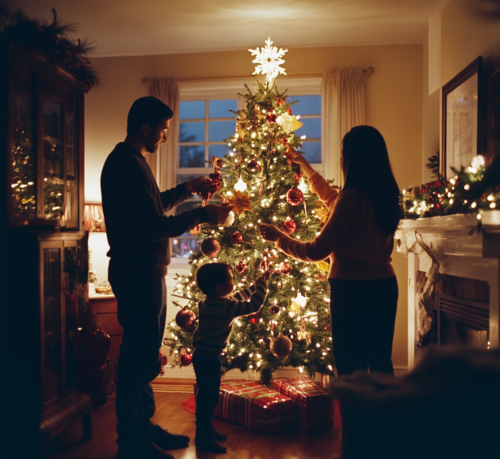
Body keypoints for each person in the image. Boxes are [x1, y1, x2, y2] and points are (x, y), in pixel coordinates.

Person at [101, 96, 233, 459]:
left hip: (144, 271)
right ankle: (132, 443)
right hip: (138, 271)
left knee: (143, 354)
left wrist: (188, 190)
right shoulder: (125, 164)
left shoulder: (131, 162)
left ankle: (142, 428)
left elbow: (152, 206)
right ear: (146, 127)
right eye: (162, 129)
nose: (163, 135)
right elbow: (153, 225)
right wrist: (201, 214)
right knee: (137, 358)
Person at [258, 125, 401, 376]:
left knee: (350, 364)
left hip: (352, 289)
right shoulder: (383, 195)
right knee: (380, 361)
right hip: (385, 286)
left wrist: (279, 238)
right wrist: (305, 166)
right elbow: (331, 198)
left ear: (352, 158)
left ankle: (355, 416)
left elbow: (316, 251)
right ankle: (385, 415)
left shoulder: (351, 198)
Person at [192, 263, 271, 453]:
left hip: (201, 355)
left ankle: (207, 429)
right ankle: (203, 437)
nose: (234, 283)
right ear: (220, 288)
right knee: (208, 399)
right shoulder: (227, 307)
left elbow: (236, 297)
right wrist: (261, 288)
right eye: (231, 280)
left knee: (206, 396)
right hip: (210, 358)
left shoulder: (206, 302)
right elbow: (254, 304)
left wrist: (255, 284)